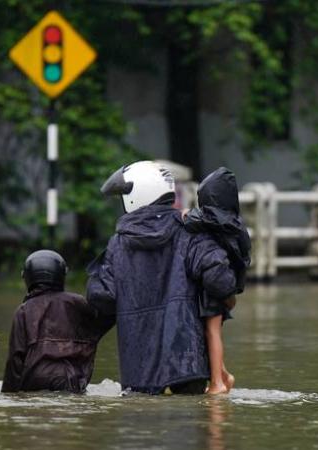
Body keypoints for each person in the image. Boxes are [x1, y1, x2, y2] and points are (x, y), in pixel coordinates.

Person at [87, 160, 237, 395]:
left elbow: (101, 298)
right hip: (187, 364)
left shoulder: (118, 244)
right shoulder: (189, 231)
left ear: (135, 196)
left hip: (138, 371)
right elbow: (220, 280)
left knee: (142, 415)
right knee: (192, 412)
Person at [2, 250, 112, 393]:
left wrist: (8, 395)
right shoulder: (78, 303)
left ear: (28, 277)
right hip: (71, 382)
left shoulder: (23, 311)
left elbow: (15, 359)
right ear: (61, 275)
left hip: (33, 382)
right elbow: (103, 321)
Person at [184, 167, 251, 394]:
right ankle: (223, 375)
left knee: (212, 332)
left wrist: (185, 214)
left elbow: (196, 220)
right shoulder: (234, 223)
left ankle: (217, 383)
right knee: (209, 332)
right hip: (222, 284)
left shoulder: (217, 219)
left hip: (215, 286)